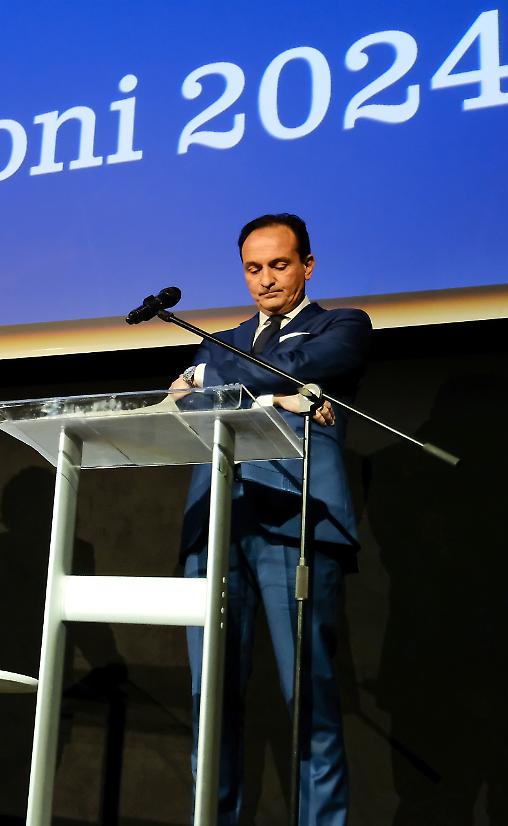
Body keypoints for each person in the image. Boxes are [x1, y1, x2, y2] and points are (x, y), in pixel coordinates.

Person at [170, 214, 370, 825]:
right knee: (211, 702)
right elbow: (183, 403)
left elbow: (305, 363)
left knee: (309, 699)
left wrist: (215, 379)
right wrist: (277, 392)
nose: (265, 280)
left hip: (296, 520)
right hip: (218, 520)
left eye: (279, 265)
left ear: (307, 265)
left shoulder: (342, 325)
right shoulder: (222, 338)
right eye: (253, 269)